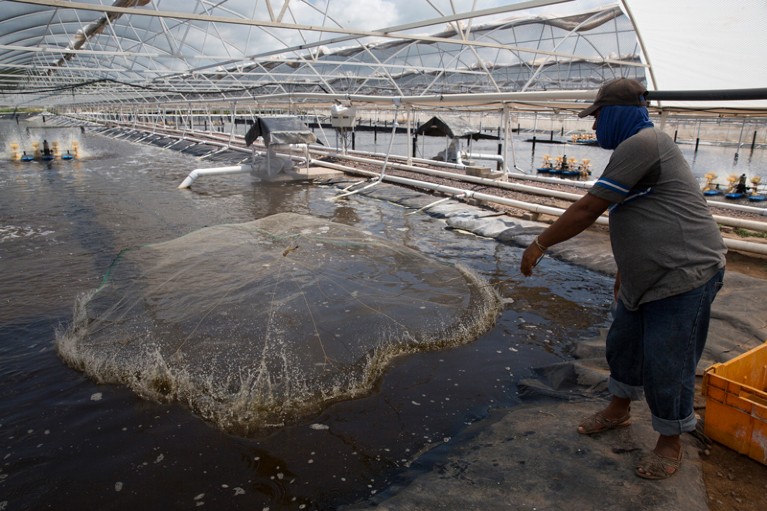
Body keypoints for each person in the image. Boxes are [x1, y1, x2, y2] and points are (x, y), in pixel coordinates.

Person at [520, 78, 726, 480]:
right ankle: (618, 410)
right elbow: (639, 215)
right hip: (643, 275)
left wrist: (540, 244)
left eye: (597, 117)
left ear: (616, 113)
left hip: (684, 274)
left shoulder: (644, 143)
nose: (594, 128)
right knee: (624, 345)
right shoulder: (637, 148)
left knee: (670, 360)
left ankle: (670, 440)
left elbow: (589, 208)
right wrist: (625, 270)